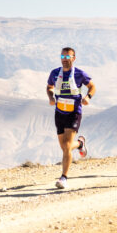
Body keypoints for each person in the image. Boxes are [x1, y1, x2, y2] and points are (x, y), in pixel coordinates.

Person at [46, 47, 96, 189]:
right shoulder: (55, 73)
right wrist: (50, 97)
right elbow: (49, 86)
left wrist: (88, 97)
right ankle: (80, 144)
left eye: (68, 57)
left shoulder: (79, 73)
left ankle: (63, 178)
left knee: (67, 146)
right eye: (63, 57)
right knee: (64, 147)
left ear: (74, 58)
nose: (65, 60)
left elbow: (92, 86)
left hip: (74, 113)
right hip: (59, 112)